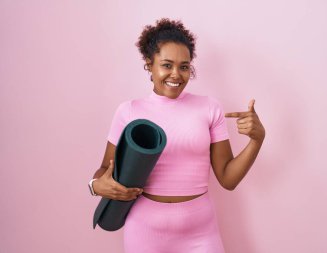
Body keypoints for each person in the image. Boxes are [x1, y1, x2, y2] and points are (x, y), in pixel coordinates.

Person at [89, 18, 265, 253]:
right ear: (149, 65)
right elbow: (103, 170)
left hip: (201, 233)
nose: (176, 74)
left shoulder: (209, 108)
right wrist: (96, 185)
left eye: (184, 66)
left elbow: (228, 179)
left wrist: (257, 140)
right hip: (144, 231)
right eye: (166, 64)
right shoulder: (129, 111)